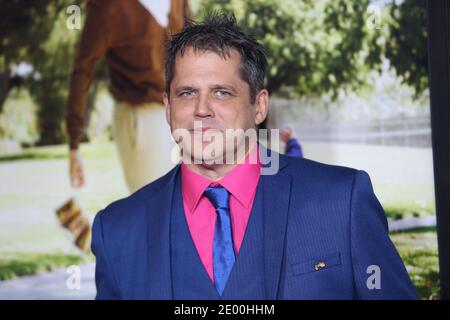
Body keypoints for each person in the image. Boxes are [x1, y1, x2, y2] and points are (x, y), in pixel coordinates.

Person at [91, 13, 418, 300]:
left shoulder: (342, 201)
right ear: (168, 108)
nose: (202, 109)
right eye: (187, 93)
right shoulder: (117, 230)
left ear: (259, 106)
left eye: (222, 92)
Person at [65, 0, 191, 193]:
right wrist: (74, 143)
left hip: (182, 115)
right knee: (154, 213)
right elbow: (83, 67)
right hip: (142, 119)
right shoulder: (109, 7)